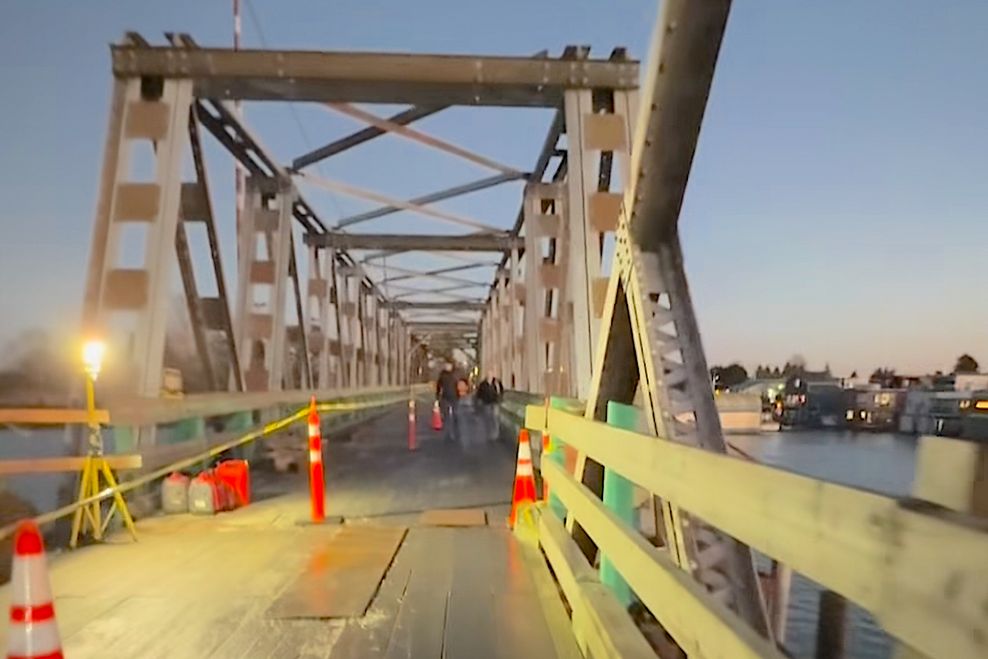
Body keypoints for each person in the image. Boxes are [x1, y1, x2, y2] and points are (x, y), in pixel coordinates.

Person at [476, 371, 503, 442]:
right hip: (486, 403)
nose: (491, 375)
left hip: (495, 403)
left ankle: (495, 434)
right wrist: (480, 400)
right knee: (488, 419)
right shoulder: (483, 384)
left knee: (495, 418)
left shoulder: (496, 383)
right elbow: (479, 393)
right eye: (489, 374)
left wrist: (499, 398)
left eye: (492, 374)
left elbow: (501, 391)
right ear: (487, 375)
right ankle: (489, 433)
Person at [435, 363, 459, 442]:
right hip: (449, 398)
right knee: (449, 416)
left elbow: (439, 387)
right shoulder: (448, 376)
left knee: (451, 416)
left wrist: (438, 397)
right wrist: (438, 396)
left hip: (450, 397)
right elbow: (439, 387)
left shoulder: (450, 376)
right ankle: (450, 434)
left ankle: (450, 433)